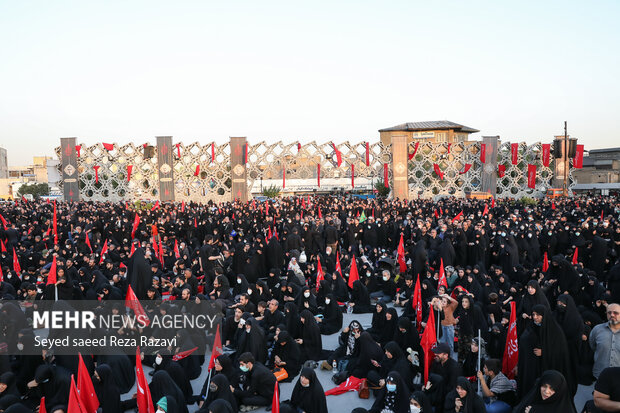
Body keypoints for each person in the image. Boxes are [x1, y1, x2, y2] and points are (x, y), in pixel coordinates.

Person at [589, 303, 620, 379]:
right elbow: (593, 346)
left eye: (615, 313)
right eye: (609, 313)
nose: (612, 315)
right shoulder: (597, 329)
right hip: (600, 375)